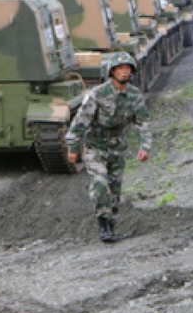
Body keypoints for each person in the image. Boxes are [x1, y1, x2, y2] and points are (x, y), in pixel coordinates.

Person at [65, 52, 151, 243]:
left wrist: (145, 146)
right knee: (100, 183)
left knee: (114, 188)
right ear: (112, 71)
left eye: (128, 69)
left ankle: (111, 226)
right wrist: (72, 147)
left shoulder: (135, 95)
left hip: (117, 146)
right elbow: (80, 121)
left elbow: (143, 122)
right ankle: (103, 227)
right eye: (120, 69)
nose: (124, 72)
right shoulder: (98, 94)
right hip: (95, 145)